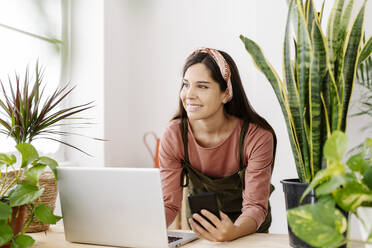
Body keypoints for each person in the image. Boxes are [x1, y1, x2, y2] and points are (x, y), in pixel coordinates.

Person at [159, 47, 277, 242]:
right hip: (202, 235)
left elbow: (255, 207)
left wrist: (234, 232)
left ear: (226, 93)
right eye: (186, 84)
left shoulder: (257, 137)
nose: (189, 94)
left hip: (250, 235)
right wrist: (138, 232)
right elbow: (169, 204)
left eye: (202, 86)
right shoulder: (174, 135)